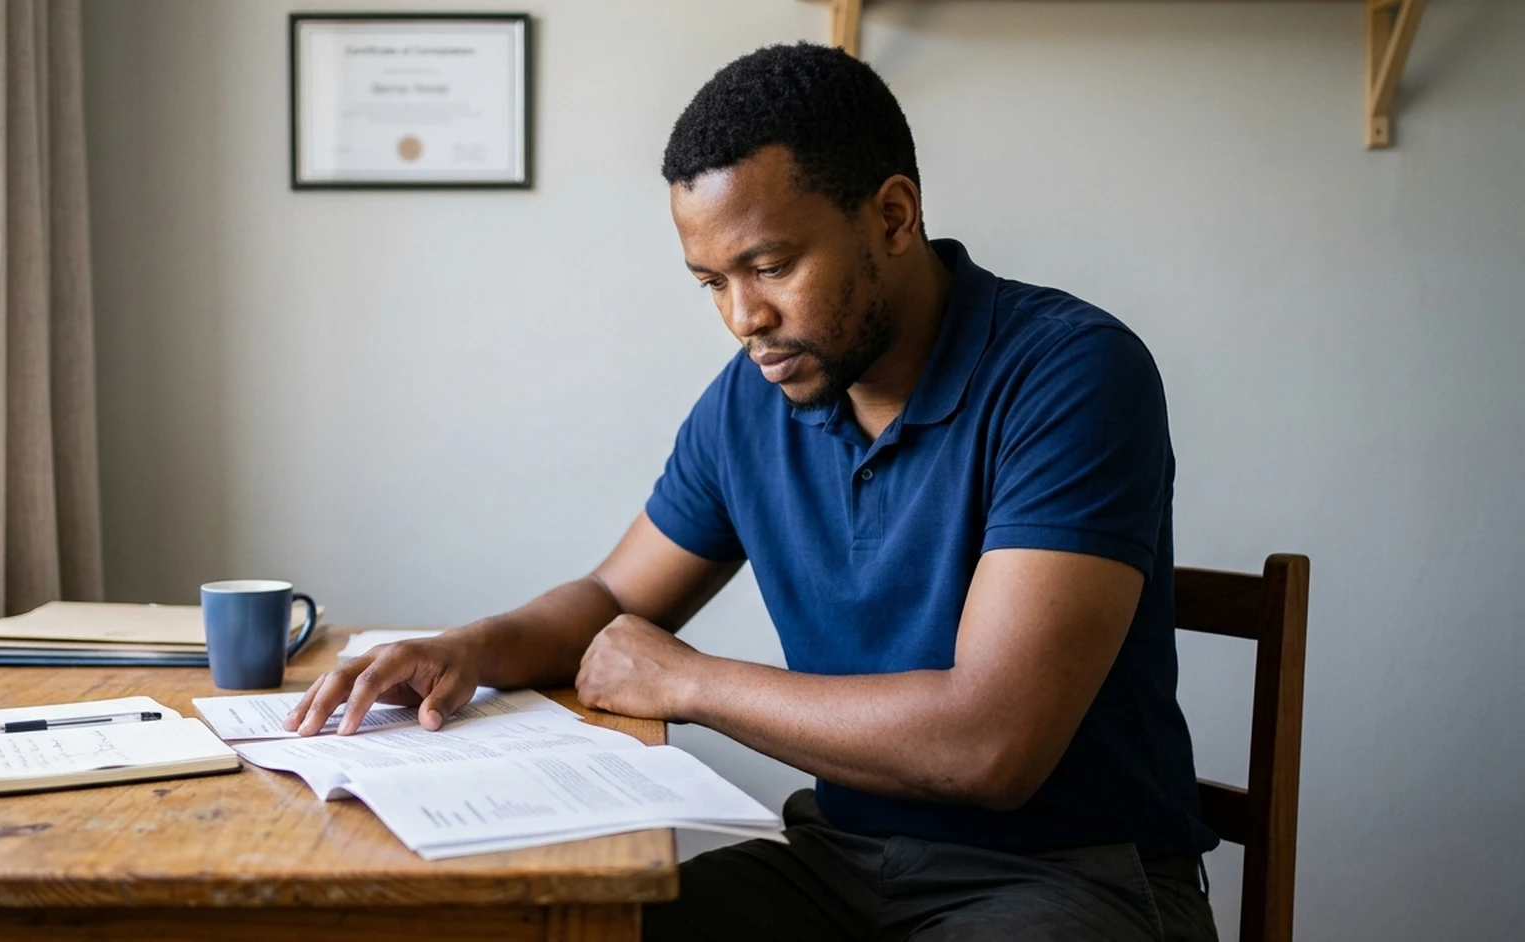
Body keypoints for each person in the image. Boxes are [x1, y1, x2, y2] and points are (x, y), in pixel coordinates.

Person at [286, 42, 1219, 942]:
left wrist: (689, 683)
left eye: (771, 268)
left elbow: (988, 747)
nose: (744, 320)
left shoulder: (1071, 374)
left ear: (894, 217)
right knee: (571, 932)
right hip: (839, 865)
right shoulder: (757, 396)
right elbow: (615, 598)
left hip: (1063, 877)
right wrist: (464, 649)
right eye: (711, 282)